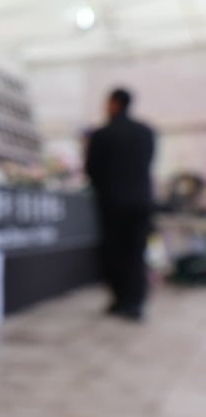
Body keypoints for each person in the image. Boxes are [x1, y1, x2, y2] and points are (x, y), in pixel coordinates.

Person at [85, 88, 156, 321]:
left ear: (114, 103)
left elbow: (91, 170)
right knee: (136, 252)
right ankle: (135, 303)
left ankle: (119, 300)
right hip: (141, 202)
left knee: (114, 252)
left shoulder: (102, 134)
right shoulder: (147, 132)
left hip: (112, 203)